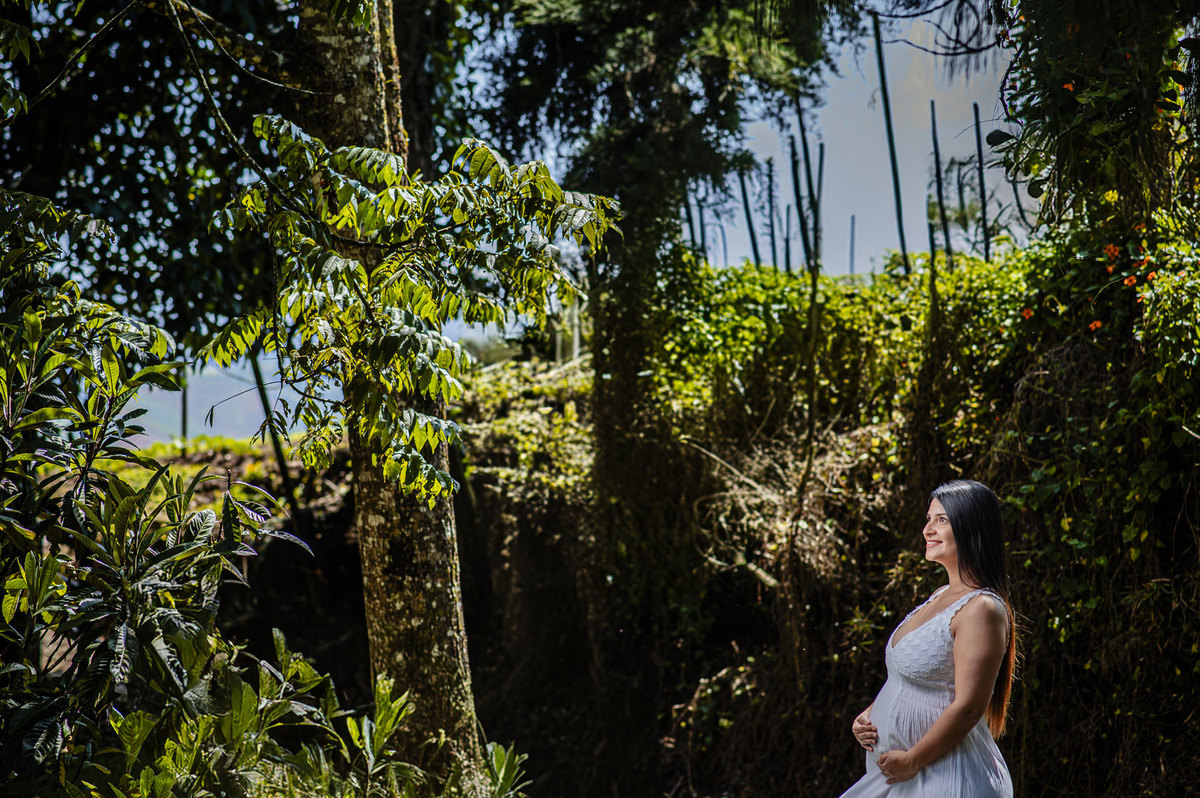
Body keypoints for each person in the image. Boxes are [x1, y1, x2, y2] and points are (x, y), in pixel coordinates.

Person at [837, 479, 1017, 797]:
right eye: (928, 519)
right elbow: (913, 676)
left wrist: (911, 759)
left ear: (972, 528)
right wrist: (870, 713)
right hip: (909, 777)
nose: (928, 530)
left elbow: (968, 707)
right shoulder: (941, 596)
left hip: (947, 776)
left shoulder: (983, 608)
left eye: (942, 519)